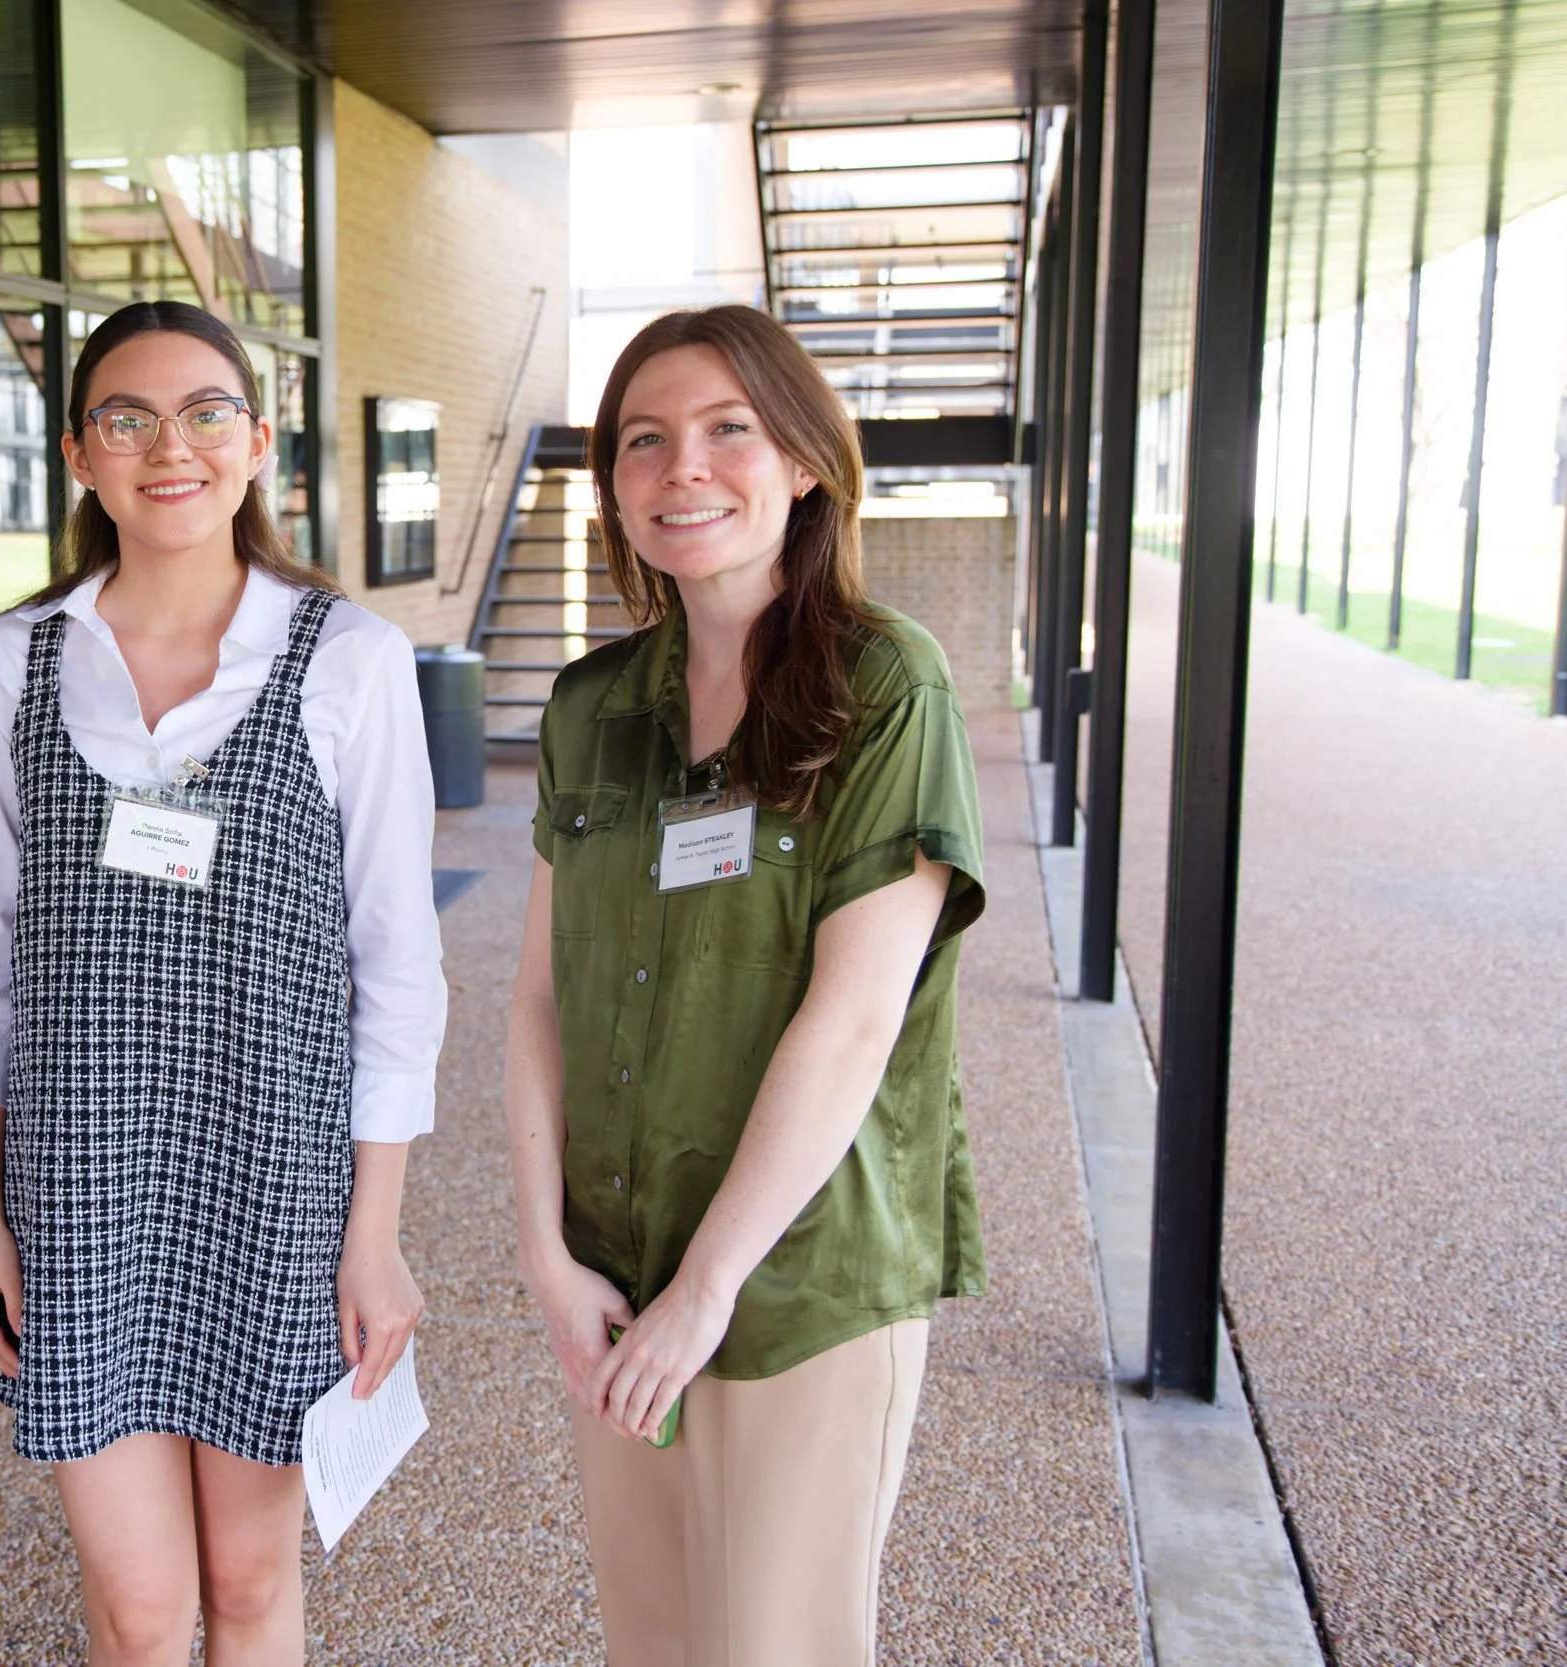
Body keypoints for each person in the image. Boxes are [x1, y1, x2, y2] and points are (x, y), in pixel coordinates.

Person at [0, 300, 444, 1666]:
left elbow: (396, 962)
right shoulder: (16, 657)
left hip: (276, 1175)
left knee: (254, 1581)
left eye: (208, 411)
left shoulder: (350, 660)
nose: (173, 446)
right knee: (141, 1607)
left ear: (259, 441)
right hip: (76, 1178)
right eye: (130, 416)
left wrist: (375, 1227)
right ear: (80, 453)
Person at [505, 305, 987, 1667]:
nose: (682, 469)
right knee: (650, 1644)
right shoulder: (591, 704)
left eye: (729, 429)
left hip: (797, 1278)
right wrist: (548, 1253)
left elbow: (851, 1021)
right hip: (616, 1266)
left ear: (807, 462)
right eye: (643, 440)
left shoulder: (887, 685)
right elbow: (538, 999)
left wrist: (705, 1290)